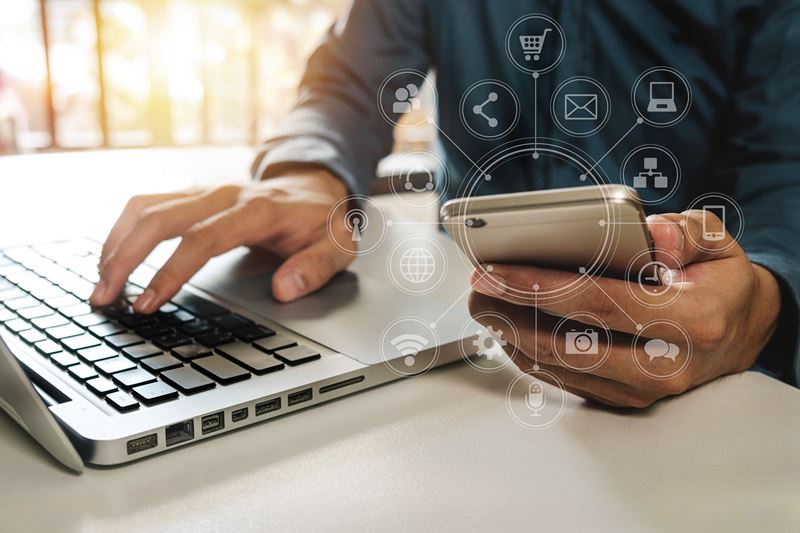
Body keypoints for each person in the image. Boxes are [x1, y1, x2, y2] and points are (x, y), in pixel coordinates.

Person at [90, 1, 800, 407]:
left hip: (690, 361)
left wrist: (764, 301)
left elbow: (785, 162)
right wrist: (308, 171)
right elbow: (351, 82)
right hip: (455, 337)